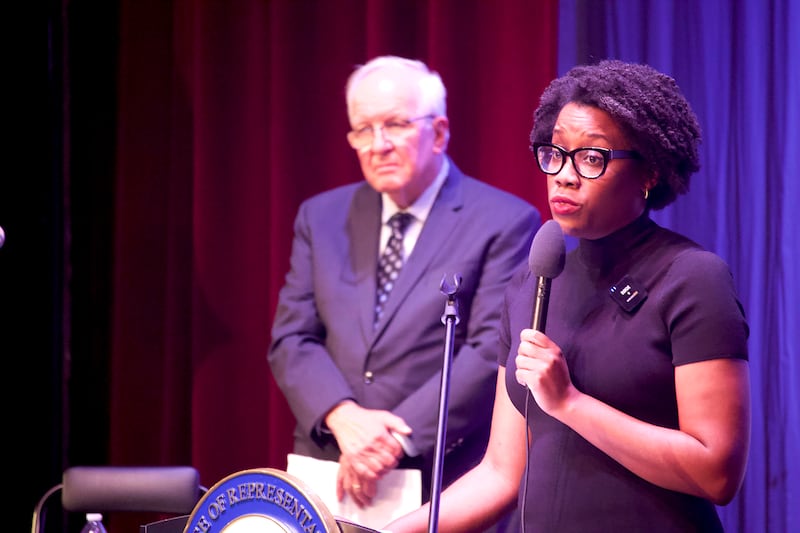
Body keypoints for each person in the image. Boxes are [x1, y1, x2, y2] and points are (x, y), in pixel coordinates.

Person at [385, 59, 751, 532]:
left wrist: (569, 403)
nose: (564, 175)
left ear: (650, 172)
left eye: (592, 158)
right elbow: (499, 474)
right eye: (554, 152)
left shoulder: (691, 278)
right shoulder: (531, 284)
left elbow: (717, 472)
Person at [268, 55, 541, 514]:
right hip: (329, 468)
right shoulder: (321, 216)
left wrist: (393, 436)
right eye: (363, 130)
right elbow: (292, 339)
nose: (378, 145)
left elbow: (488, 352)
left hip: (437, 474)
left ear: (437, 133)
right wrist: (343, 416)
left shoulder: (504, 221)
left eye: (394, 125)